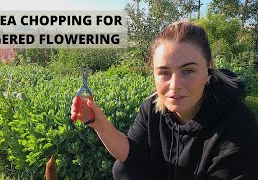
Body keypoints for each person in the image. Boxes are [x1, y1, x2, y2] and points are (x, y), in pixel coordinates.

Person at [70, 20, 258, 180]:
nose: (174, 85)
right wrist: (99, 123)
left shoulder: (237, 124)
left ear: (208, 70)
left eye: (188, 71)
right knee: (123, 168)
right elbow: (132, 153)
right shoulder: (152, 109)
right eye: (165, 73)